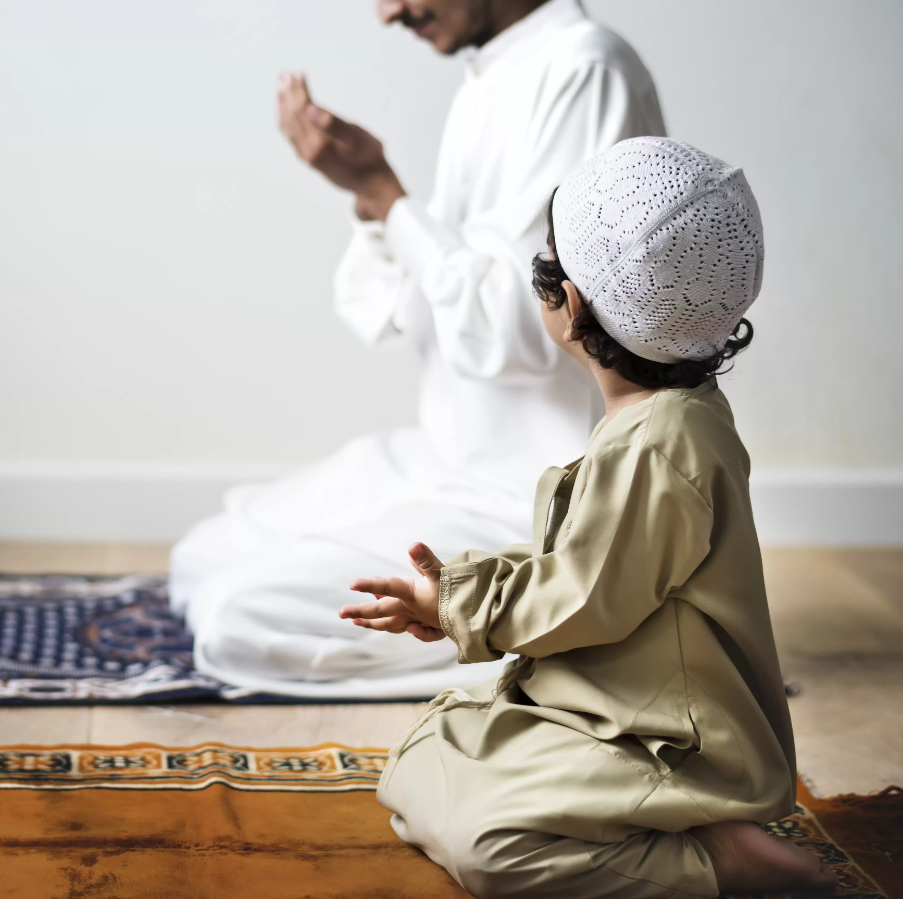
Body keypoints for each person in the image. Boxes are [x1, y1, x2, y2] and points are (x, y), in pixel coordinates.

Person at [341, 137, 838, 898]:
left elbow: (583, 592)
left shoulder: (661, 443)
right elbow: (589, 564)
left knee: (490, 844)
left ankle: (712, 858)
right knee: (428, 750)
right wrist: (460, 594)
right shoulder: (663, 418)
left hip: (668, 738)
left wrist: (458, 604)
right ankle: (671, 823)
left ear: (568, 306)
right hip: (604, 703)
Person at [169, 0, 665, 698]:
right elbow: (415, 312)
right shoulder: (490, 77)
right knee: (202, 557)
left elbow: (527, 333)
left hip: (533, 499)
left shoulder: (584, 71)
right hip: (445, 459)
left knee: (236, 616)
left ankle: (554, 625)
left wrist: (385, 194)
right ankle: (499, 622)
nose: (389, 12)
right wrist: (376, 204)